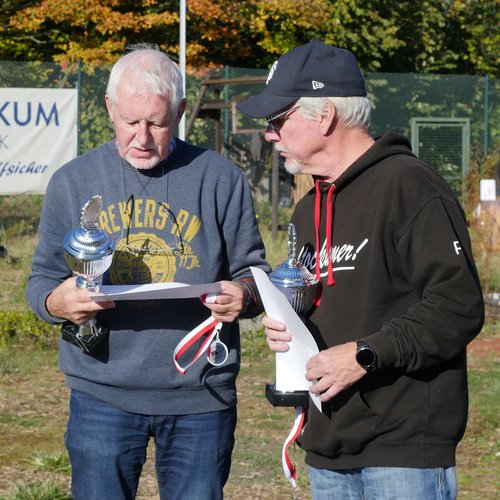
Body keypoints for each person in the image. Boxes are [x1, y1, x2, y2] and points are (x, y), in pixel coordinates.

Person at [237, 40, 485, 499]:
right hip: (329, 447)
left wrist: (365, 355)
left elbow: (458, 306)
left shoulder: (409, 185)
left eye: (278, 119)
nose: (269, 134)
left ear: (325, 116)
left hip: (401, 452)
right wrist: (290, 328)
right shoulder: (308, 207)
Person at [26, 43, 270, 500]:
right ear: (109, 108)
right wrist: (58, 302)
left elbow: (254, 272)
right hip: (102, 392)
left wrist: (245, 296)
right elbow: (41, 281)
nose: (142, 137)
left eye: (157, 123)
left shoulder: (220, 178)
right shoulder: (72, 181)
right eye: (130, 121)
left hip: (200, 395)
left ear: (180, 112)